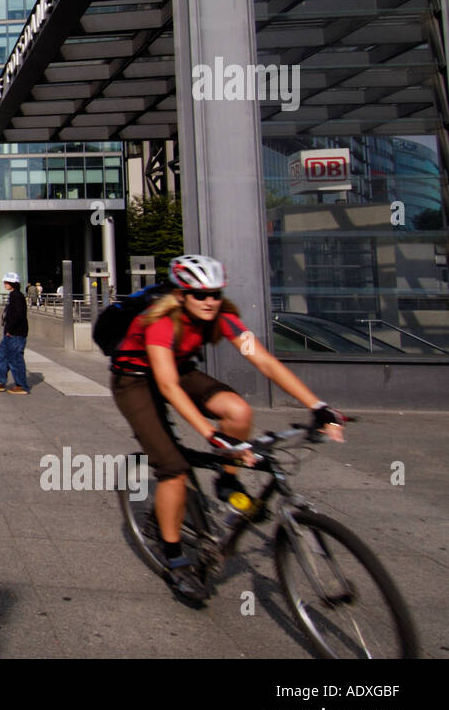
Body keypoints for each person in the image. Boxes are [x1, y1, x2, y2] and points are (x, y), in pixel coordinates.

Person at [110, 254, 346, 601]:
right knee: (173, 469)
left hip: (181, 369)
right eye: (199, 294)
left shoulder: (223, 318)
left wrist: (318, 406)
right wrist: (211, 434)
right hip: (135, 380)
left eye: (215, 294)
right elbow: (168, 387)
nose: (209, 301)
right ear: (180, 295)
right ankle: (175, 559)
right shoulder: (158, 323)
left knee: (237, 410)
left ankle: (226, 481)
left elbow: (264, 360)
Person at [0, 272, 29, 394]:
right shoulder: (13, 295)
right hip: (10, 333)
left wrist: (10, 329)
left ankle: (21, 385)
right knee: (3, 357)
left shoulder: (17, 296)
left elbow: (19, 315)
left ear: (13, 283)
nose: (5, 284)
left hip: (15, 334)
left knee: (15, 359)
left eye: (7, 282)